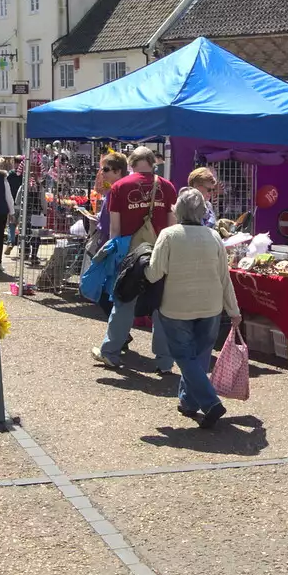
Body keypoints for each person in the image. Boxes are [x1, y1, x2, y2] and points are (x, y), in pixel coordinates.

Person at [146, 189, 240, 427]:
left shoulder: (168, 235)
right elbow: (224, 278)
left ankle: (210, 402)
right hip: (211, 307)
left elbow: (155, 272)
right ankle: (188, 402)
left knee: (184, 357)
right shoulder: (214, 237)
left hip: (176, 306)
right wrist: (234, 310)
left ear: (177, 210)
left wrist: (141, 264)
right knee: (199, 356)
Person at [93, 146, 177, 372]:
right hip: (159, 252)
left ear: (130, 164)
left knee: (123, 303)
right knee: (162, 307)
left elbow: (115, 230)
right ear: (153, 163)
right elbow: (171, 226)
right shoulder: (167, 187)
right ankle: (165, 362)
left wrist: (113, 257)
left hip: (131, 254)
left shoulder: (119, 187)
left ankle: (110, 352)